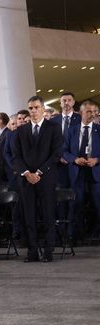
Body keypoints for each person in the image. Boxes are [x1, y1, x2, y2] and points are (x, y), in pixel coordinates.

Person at [11, 95, 63, 262]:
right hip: (26, 180)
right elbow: (16, 156)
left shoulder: (53, 127)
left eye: (36, 108)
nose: (33, 111)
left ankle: (48, 250)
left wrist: (39, 172)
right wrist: (26, 173)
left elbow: (56, 153)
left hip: (46, 178)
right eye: (31, 108)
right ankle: (32, 251)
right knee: (29, 216)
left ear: (42, 109)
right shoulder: (21, 130)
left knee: (48, 215)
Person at [63, 99, 100, 244]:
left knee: (98, 205)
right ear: (81, 113)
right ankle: (74, 237)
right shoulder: (71, 130)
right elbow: (64, 151)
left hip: (95, 173)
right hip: (77, 173)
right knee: (76, 205)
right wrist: (74, 159)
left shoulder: (99, 129)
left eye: (94, 111)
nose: (92, 114)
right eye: (88, 111)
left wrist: (97, 160)